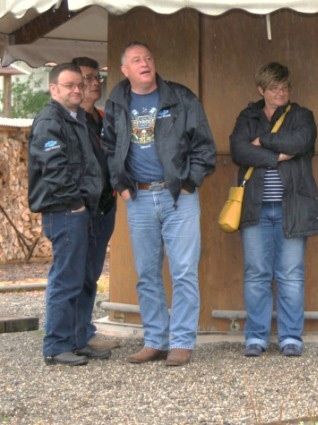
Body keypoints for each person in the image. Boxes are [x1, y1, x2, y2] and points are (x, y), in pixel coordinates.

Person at [102, 41, 217, 366]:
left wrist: (189, 183)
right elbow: (109, 147)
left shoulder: (180, 97)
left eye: (148, 58)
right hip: (138, 198)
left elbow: (204, 145)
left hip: (178, 196)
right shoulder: (116, 102)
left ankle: (181, 342)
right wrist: (121, 186)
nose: (145, 63)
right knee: (147, 273)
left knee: (184, 272)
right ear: (125, 70)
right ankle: (155, 340)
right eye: (137, 60)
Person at [229, 62, 318, 357]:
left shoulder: (301, 115)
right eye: (274, 88)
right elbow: (239, 150)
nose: (281, 93)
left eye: (285, 87)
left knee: (291, 275)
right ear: (261, 90)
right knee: (256, 274)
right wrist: (277, 156)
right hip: (255, 208)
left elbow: (301, 141)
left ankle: (290, 337)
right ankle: (255, 337)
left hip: (292, 206)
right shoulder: (248, 116)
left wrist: (263, 141)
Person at [28, 63, 112, 366]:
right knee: (66, 278)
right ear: (54, 89)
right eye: (69, 85)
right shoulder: (50, 121)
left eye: (80, 84)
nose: (77, 90)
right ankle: (56, 346)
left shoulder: (79, 119)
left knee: (83, 278)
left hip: (86, 210)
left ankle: (78, 339)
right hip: (65, 211)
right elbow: (54, 169)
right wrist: (74, 203)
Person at [70, 56, 119, 351]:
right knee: (73, 273)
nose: (94, 83)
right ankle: (68, 336)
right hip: (78, 209)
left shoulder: (102, 118)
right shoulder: (66, 121)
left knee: (91, 273)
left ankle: (84, 332)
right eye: (87, 78)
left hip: (105, 206)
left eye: (97, 77)